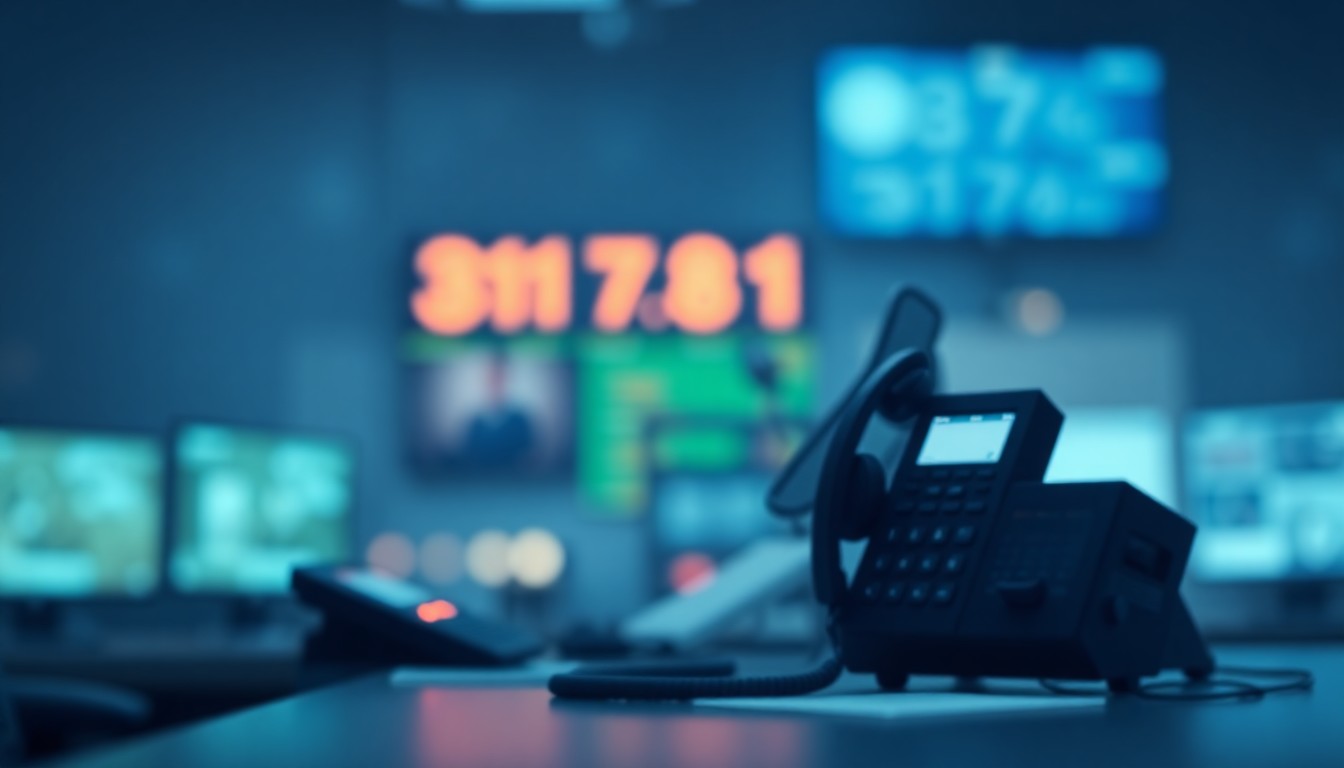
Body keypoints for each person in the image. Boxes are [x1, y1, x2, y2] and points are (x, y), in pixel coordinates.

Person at [462, 351, 536, 468]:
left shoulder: (520, 421)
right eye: (492, 378)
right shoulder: (475, 423)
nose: (496, 383)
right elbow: (467, 459)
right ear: (486, 381)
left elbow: (530, 457)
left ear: (506, 380)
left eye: (499, 378)